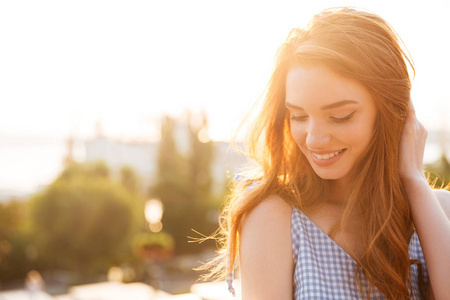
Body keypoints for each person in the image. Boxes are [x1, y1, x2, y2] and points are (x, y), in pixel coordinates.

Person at [201, 7, 450, 300]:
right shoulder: (274, 217)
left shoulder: (437, 212)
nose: (315, 139)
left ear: (392, 114)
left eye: (341, 116)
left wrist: (414, 181)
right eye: (299, 116)